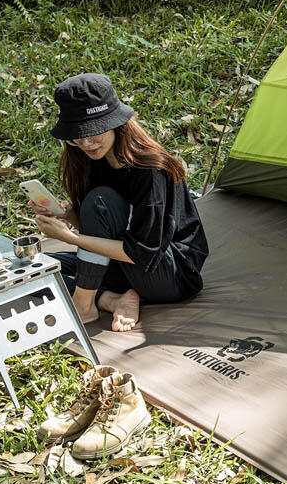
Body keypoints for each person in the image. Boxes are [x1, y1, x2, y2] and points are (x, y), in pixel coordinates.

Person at [31, 72, 209, 332]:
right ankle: (112, 299)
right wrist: (67, 216)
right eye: (77, 136)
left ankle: (85, 306)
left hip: (167, 273)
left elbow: (142, 252)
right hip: (122, 264)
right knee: (37, 269)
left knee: (98, 201)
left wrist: (72, 239)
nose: (86, 143)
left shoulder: (151, 170)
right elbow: (99, 228)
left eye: (93, 133)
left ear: (115, 123)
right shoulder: (93, 160)